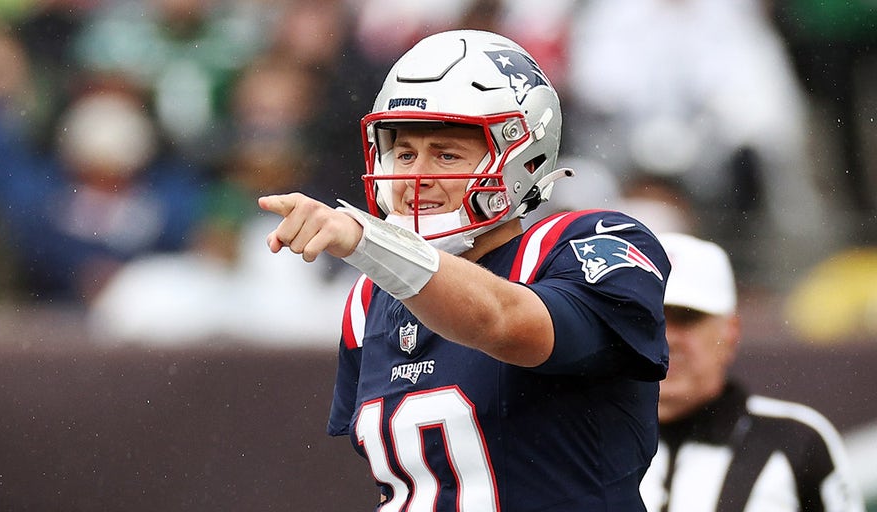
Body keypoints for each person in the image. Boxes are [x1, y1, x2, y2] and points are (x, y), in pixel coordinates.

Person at [259, 29, 671, 510]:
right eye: (406, 153)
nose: (416, 177)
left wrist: (370, 242)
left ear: (523, 157)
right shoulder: (370, 298)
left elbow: (504, 322)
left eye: (447, 154)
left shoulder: (589, 244)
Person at [641, 232, 865, 512]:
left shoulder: (795, 439)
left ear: (731, 331)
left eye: (687, 317)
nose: (667, 338)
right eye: (648, 317)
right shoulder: (580, 436)